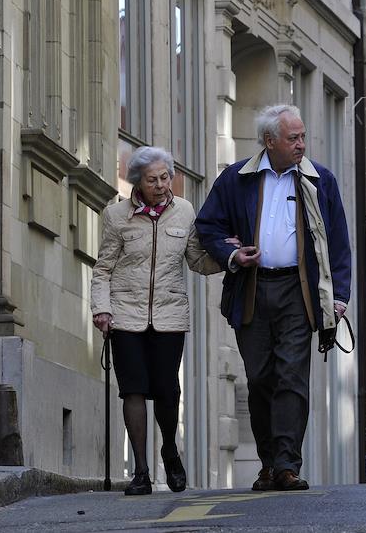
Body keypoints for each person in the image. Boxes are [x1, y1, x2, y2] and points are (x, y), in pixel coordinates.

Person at [195, 104, 352, 492]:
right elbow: (207, 226)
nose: (301, 145)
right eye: (293, 138)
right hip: (251, 289)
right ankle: (268, 462)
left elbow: (339, 245)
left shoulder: (321, 181)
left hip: (300, 292)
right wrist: (231, 254)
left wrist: (339, 297)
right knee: (260, 377)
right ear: (269, 142)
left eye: (303, 137)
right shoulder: (236, 179)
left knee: (291, 378)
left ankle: (286, 465)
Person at [91, 146, 223, 496]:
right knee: (132, 389)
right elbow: (103, 268)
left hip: (169, 316)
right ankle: (141, 471)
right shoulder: (116, 216)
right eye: (153, 180)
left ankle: (169, 448)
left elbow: (196, 259)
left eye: (166, 177)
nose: (163, 185)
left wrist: (231, 257)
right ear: (138, 181)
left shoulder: (185, 212)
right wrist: (101, 309)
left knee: (167, 390)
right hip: (125, 316)